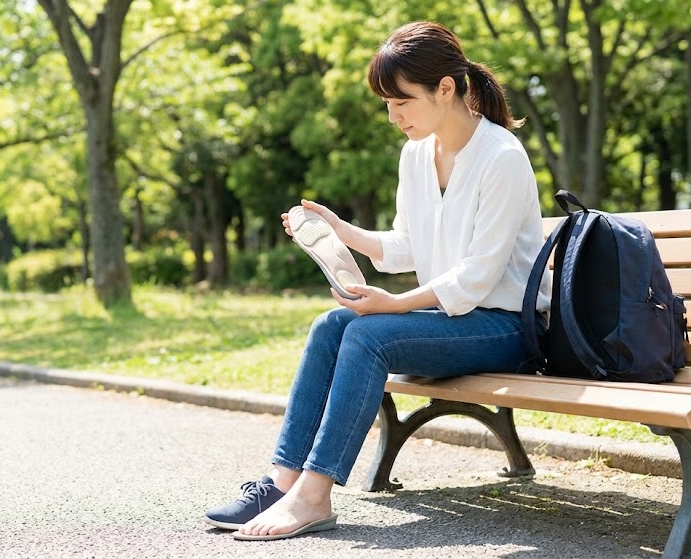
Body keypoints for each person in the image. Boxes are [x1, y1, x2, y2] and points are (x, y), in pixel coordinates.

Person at [203, 20, 553, 541]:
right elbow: (405, 247)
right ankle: (282, 482)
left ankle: (314, 496)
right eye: (387, 104)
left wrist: (393, 305)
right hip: (451, 321)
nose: (394, 117)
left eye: (402, 102)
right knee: (330, 325)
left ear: (445, 88)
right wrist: (342, 233)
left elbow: (477, 278)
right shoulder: (417, 153)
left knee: (367, 335)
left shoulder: (500, 157)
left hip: (506, 329)